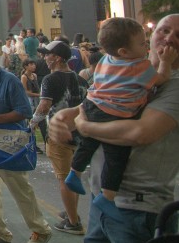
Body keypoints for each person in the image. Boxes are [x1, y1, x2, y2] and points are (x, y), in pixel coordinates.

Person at [49, 13, 179, 243]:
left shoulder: (172, 85)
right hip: (102, 201)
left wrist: (83, 127)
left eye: (178, 36)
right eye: (164, 30)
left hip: (139, 207)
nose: (168, 38)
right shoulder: (122, 67)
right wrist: (63, 117)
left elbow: (140, 133)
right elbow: (98, 101)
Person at [64, 17, 175, 204]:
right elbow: (162, 78)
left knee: (87, 145)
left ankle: (74, 172)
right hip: (115, 114)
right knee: (116, 157)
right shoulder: (140, 66)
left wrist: (84, 124)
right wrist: (166, 61)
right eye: (143, 43)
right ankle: (107, 196)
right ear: (124, 51)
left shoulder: (107, 59)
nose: (145, 47)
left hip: (93, 106)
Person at [0, 45, 52, 243]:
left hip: (8, 149)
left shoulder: (10, 81)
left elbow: (24, 111)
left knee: (20, 190)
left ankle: (40, 230)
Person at [29, 40, 86, 235]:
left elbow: (44, 106)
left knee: (64, 179)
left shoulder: (49, 80)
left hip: (58, 134)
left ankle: (73, 221)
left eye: (48, 54)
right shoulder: (79, 78)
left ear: (58, 58)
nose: (45, 57)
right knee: (74, 175)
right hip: (78, 133)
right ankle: (72, 212)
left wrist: (31, 125)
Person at [19, 58, 47, 154]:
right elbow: (25, 92)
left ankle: (47, 143)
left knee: (42, 122)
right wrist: (38, 95)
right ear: (26, 66)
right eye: (31, 64)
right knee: (32, 123)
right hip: (30, 101)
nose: (34, 66)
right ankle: (32, 145)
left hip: (37, 100)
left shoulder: (34, 75)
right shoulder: (24, 77)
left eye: (34, 64)